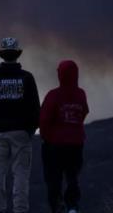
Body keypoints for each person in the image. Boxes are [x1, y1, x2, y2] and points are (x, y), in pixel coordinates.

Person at [0, 37, 40, 213]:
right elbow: (35, 106)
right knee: (21, 174)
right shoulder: (27, 77)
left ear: (2, 55)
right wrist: (30, 129)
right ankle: (20, 210)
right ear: (17, 55)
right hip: (21, 133)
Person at [39, 60, 89, 213]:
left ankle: (57, 207)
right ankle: (72, 207)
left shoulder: (53, 95)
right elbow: (84, 112)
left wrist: (47, 138)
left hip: (54, 145)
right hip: (76, 145)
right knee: (72, 177)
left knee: (54, 179)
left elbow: (44, 120)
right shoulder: (81, 94)